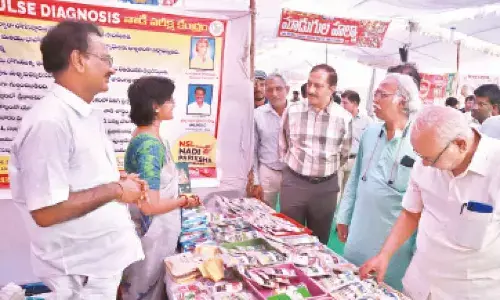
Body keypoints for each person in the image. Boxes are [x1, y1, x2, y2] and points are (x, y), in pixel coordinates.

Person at [8, 21, 146, 299]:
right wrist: (116, 190)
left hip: (96, 265)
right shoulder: (50, 122)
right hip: (80, 272)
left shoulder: (83, 114)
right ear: (77, 60)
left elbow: (81, 179)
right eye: (106, 58)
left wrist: (116, 182)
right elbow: (47, 211)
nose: (112, 68)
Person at [360, 106, 500, 299]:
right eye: (420, 156)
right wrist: (384, 255)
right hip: (420, 282)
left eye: (430, 158)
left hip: (470, 290)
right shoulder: (427, 160)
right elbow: (411, 213)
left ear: (461, 144)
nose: (424, 164)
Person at [336, 73, 421, 291]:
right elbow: (354, 180)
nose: (375, 99)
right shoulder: (370, 133)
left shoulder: (419, 141)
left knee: (386, 289)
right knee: (350, 285)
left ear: (403, 100)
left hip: (394, 242)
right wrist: (343, 216)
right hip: (359, 231)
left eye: (382, 94)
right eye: (375, 93)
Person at [121, 76, 200, 300]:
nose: (173, 103)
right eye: (169, 99)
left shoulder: (148, 136)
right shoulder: (149, 145)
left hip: (156, 230)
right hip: (152, 233)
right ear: (155, 106)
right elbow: (150, 206)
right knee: (146, 289)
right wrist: (184, 201)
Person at [279, 64, 352, 244]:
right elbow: (283, 144)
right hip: (293, 184)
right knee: (288, 239)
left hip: (325, 189)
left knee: (318, 243)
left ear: (332, 88)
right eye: (309, 84)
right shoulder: (292, 111)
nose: (310, 90)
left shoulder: (344, 118)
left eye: (317, 85)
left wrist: (323, 172)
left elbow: (344, 153)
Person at [251, 74, 288, 209]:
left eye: (279, 89)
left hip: (292, 173)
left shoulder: (296, 113)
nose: (274, 94)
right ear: (265, 92)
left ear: (287, 90)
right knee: (264, 211)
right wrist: (256, 180)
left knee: (291, 214)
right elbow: (253, 149)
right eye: (270, 90)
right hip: (267, 170)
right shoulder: (257, 115)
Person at [339, 90, 373, 197]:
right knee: (336, 194)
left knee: (348, 194)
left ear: (354, 104)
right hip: (339, 161)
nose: (341, 105)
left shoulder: (367, 121)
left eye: (345, 103)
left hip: (355, 161)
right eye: (341, 102)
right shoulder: (338, 118)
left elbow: (370, 144)